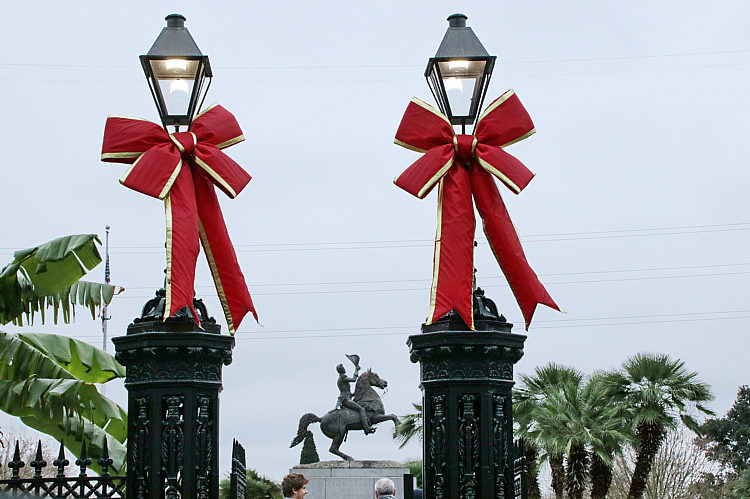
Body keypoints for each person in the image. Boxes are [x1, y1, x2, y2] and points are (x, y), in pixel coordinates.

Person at [335, 363, 374, 434]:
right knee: (361, 409)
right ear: (341, 370)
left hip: (347, 397)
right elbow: (353, 379)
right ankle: (366, 428)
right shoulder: (343, 377)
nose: (344, 368)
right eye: (343, 367)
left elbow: (346, 391)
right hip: (346, 399)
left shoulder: (341, 377)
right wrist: (356, 370)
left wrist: (355, 393)